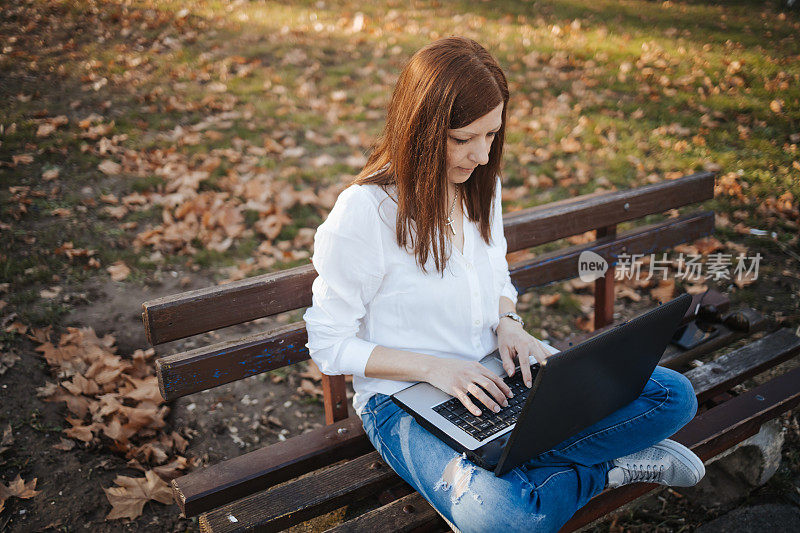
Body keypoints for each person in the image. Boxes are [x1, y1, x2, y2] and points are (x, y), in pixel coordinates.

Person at [302, 36, 704, 533]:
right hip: (402, 399)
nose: (480, 153)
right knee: (501, 516)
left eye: (492, 134)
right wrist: (437, 370)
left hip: (495, 371)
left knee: (675, 396)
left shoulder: (478, 186)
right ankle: (605, 469)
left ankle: (523, 464)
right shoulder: (365, 212)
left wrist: (508, 322)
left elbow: (494, 273)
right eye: (462, 138)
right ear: (420, 129)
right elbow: (329, 343)